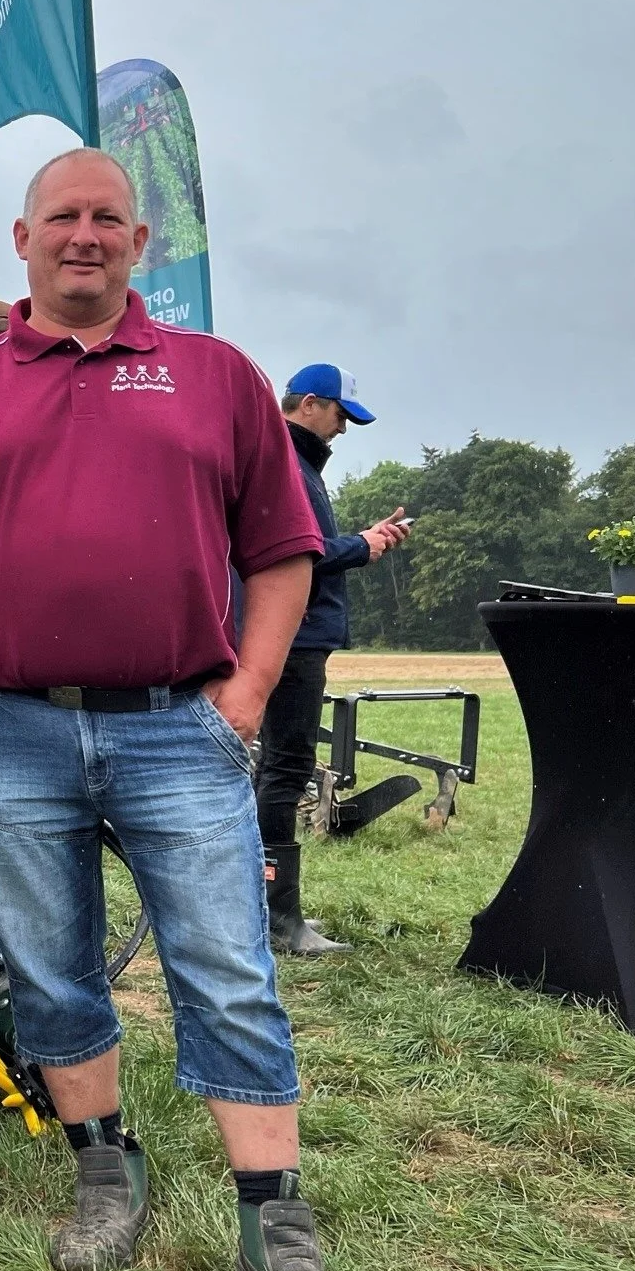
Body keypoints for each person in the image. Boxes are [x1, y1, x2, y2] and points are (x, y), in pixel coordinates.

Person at [0, 147, 374, 1271]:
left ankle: (276, 1229)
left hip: (175, 727)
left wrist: (245, 694)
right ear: (20, 238)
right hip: (14, 728)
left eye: (105, 218)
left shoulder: (214, 379)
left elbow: (280, 552)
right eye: (61, 217)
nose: (82, 234)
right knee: (47, 971)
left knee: (225, 969)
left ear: (137, 243)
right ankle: (107, 1171)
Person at [253, 363, 410, 954]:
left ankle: (261, 910)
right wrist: (360, 547)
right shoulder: (289, 464)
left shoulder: (290, 461)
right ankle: (279, 919)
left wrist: (360, 539)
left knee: (271, 770)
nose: (343, 429)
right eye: (342, 415)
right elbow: (299, 551)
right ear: (311, 405)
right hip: (294, 636)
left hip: (287, 633)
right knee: (285, 770)